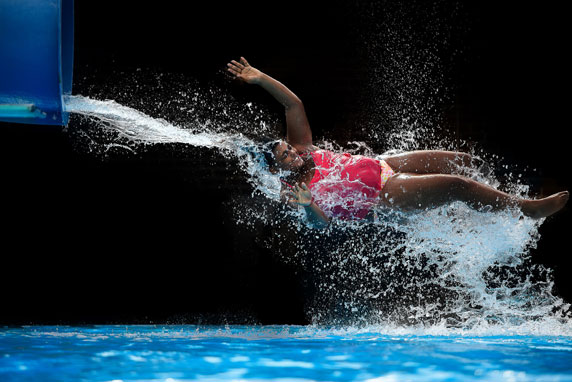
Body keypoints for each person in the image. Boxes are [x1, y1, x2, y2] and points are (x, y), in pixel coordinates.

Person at [227, 57, 569, 228]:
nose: (294, 154)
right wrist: (304, 205)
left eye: (289, 148)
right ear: (278, 171)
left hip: (386, 164)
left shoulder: (305, 150)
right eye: (286, 157)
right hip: (384, 196)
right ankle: (527, 209)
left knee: (466, 162)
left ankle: (494, 210)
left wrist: (260, 79)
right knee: (457, 185)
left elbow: (293, 105)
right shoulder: (293, 191)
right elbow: (321, 224)